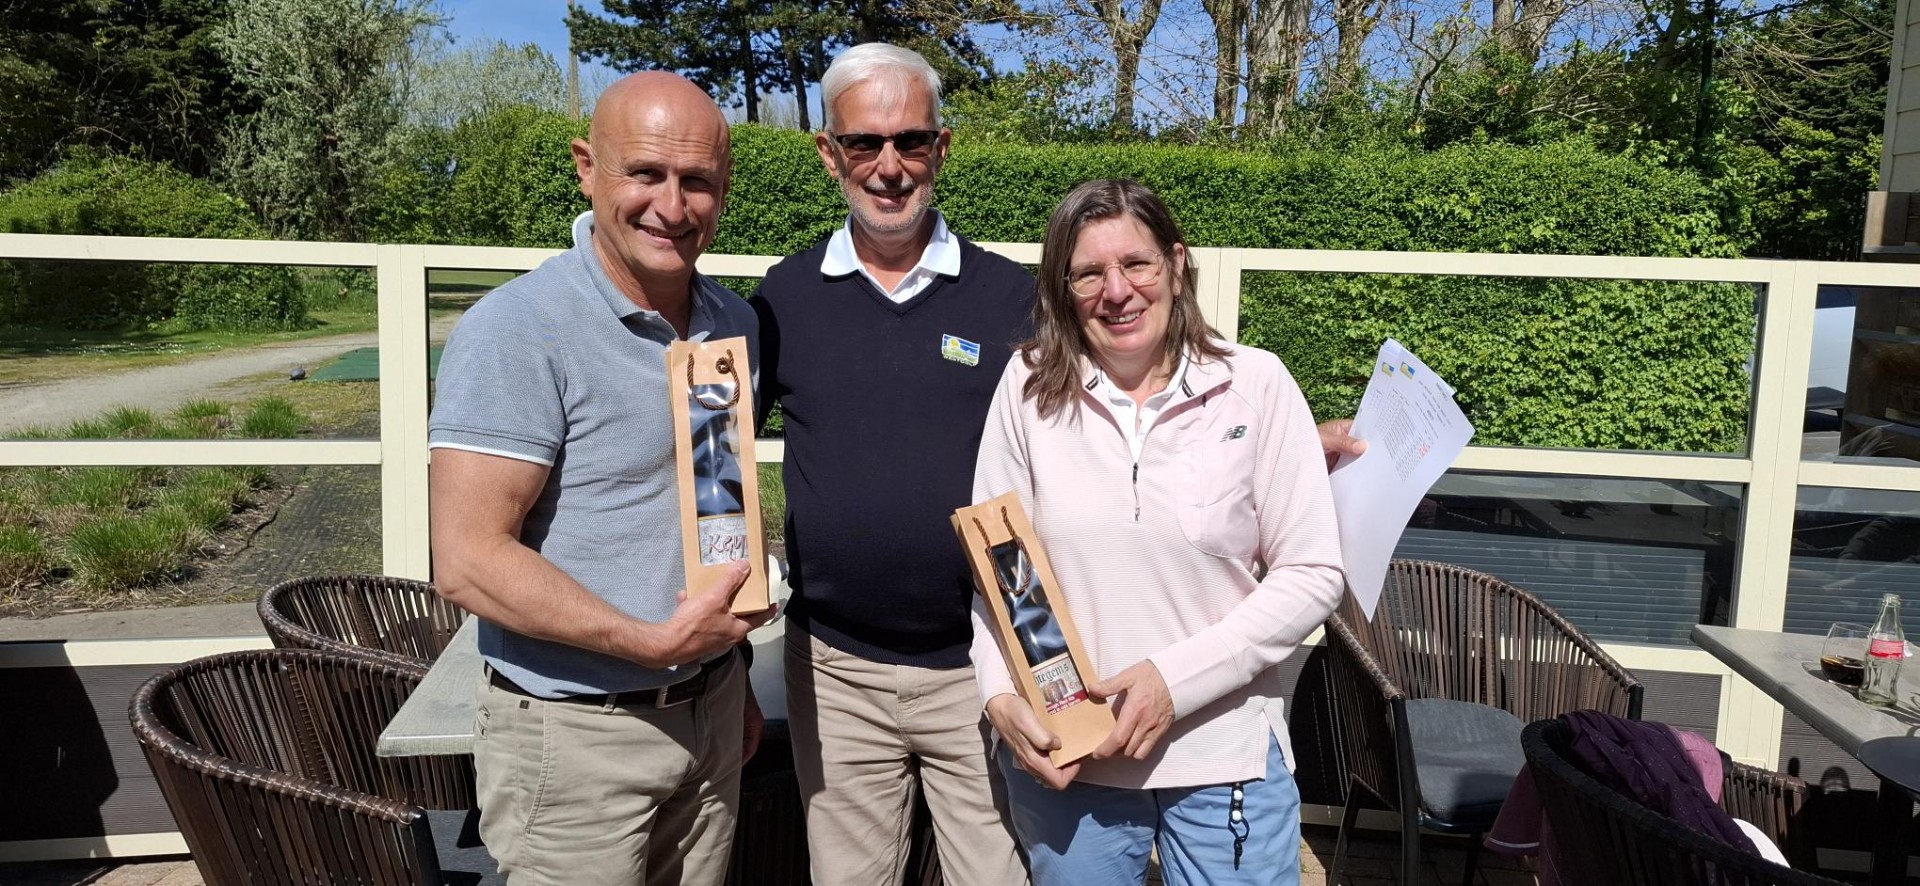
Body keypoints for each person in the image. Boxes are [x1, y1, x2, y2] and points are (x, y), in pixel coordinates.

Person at [427, 71, 772, 886]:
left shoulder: (732, 324)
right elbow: (467, 560)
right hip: (575, 737)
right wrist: (651, 645)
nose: (672, 206)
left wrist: (729, 678)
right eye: (645, 173)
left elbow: (712, 510)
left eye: (697, 181)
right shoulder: (518, 329)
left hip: (711, 714)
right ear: (587, 167)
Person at [969, 178, 1346, 885]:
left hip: (1223, 755)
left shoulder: (1255, 384)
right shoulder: (1027, 387)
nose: (1117, 291)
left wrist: (1176, 681)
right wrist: (998, 696)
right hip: (1077, 760)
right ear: (1063, 289)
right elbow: (999, 570)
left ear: (1175, 264)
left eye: (1136, 263)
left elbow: (1313, 572)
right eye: (1089, 273)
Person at [748, 43, 1034, 886]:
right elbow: (705, 455)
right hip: (835, 671)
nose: (888, 166)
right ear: (828, 152)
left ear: (941, 148)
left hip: (985, 661)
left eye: (910, 140)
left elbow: (1107, 418)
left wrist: (1260, 434)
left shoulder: (1011, 297)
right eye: (863, 143)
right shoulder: (784, 297)